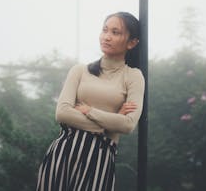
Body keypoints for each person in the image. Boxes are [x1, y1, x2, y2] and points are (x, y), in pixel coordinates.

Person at [36, 11, 145, 191]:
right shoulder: (79, 71)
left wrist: (89, 111)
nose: (107, 37)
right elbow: (62, 113)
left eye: (115, 32)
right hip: (64, 152)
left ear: (132, 42)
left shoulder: (133, 76)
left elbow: (128, 125)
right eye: (105, 30)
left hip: (100, 156)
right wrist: (110, 122)